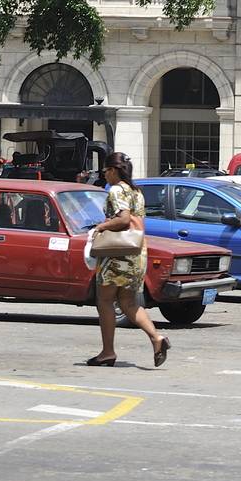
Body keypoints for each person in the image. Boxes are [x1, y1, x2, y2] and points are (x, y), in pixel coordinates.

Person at [87, 152, 169, 369]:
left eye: (105, 171)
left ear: (113, 170)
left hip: (117, 253)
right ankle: (156, 338)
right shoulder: (137, 192)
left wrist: (101, 227)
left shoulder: (116, 190)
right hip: (137, 251)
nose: (104, 175)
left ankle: (107, 352)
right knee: (129, 302)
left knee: (104, 301)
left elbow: (123, 219)